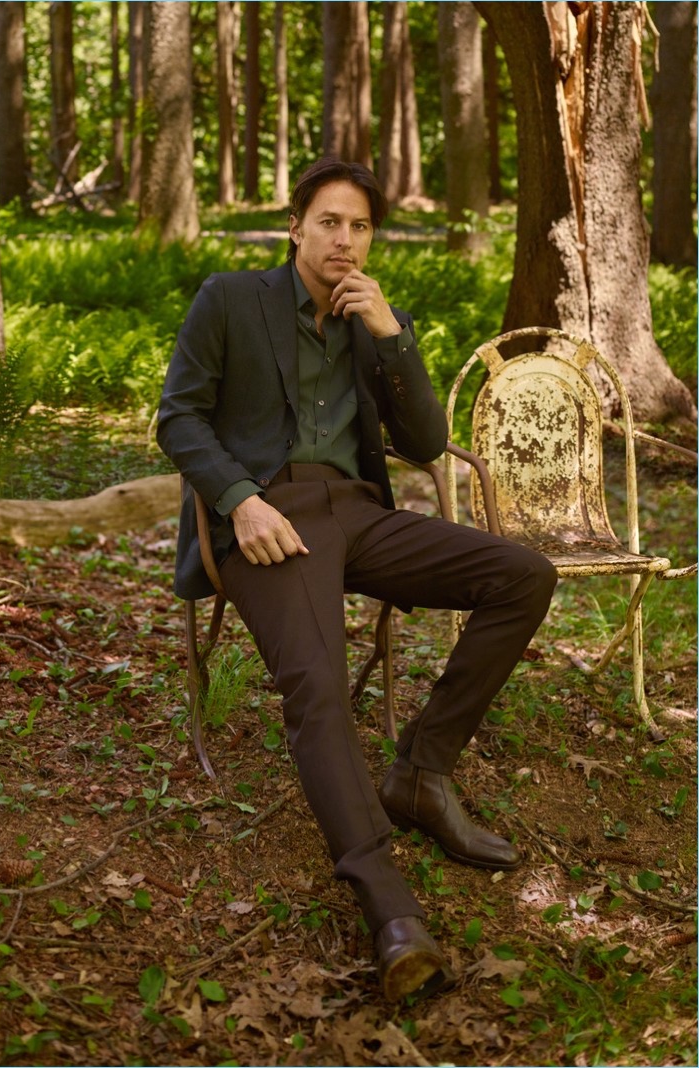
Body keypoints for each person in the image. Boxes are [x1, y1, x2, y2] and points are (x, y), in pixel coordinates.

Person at [157, 158, 557, 1002]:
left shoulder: (377, 320)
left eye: (362, 227)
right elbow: (179, 417)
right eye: (329, 222)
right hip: (271, 520)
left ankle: (420, 769)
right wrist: (240, 502)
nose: (345, 241)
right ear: (294, 226)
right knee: (318, 684)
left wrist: (392, 338)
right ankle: (388, 904)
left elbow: (420, 442)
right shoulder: (230, 299)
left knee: (522, 574)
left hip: (362, 516)